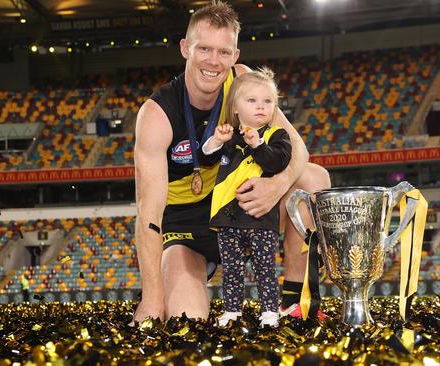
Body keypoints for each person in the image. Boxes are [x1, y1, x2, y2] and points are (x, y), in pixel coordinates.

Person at [132, 1, 330, 322]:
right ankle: (177, 292)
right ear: (185, 48)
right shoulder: (157, 114)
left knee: (313, 179)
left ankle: (295, 302)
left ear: (235, 56)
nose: (214, 61)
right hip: (187, 229)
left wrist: (274, 185)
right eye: (204, 49)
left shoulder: (242, 81)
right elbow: (148, 214)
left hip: (241, 208)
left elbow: (299, 150)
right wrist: (152, 301)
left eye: (224, 52)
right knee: (187, 319)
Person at [202, 67, 290, 328]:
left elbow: (277, 163)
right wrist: (215, 142)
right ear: (236, 108)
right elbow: (206, 159)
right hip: (228, 217)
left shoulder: (276, 136)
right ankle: (232, 311)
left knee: (265, 269)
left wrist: (257, 145)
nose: (261, 106)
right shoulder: (228, 136)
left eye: (268, 101)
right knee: (231, 269)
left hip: (260, 218)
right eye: (252, 100)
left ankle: (270, 312)